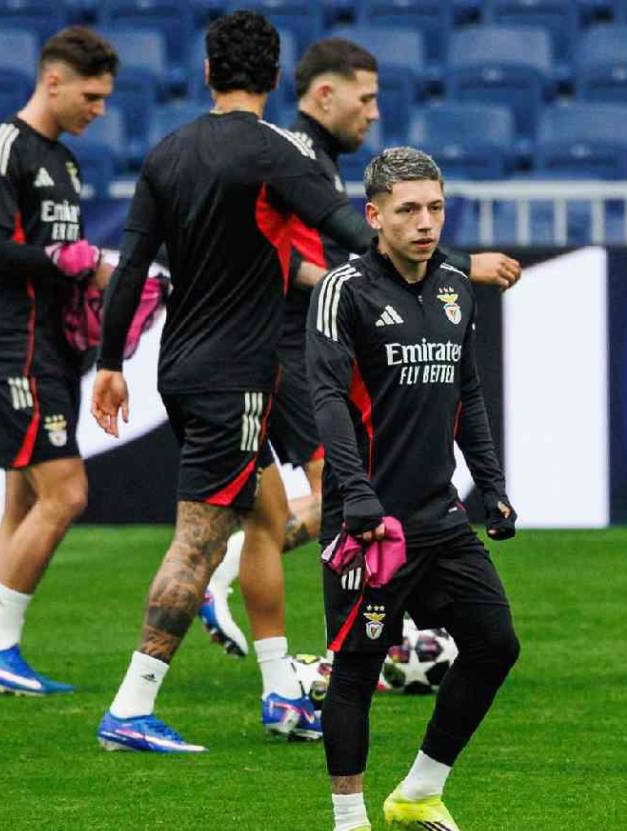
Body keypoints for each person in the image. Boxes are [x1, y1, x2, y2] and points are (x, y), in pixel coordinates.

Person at [90, 11, 393, 751]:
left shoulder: (167, 152)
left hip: (178, 370)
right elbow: (348, 230)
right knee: (199, 541)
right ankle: (131, 705)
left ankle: (280, 694)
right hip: (239, 378)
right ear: (278, 79)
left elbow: (130, 269)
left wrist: (107, 364)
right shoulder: (275, 153)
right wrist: (421, 267)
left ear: (206, 74)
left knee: (260, 520)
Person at [198, 37, 522, 660]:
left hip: (297, 340)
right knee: (348, 488)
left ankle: (357, 623)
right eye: (365, 97)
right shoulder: (291, 154)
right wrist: (456, 264)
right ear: (325, 93)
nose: (373, 112)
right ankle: (343, 637)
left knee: (343, 490)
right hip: (293, 344)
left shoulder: (312, 155)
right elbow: (273, 250)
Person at [307, 147, 521, 831]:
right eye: (407, 210)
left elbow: (468, 395)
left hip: (438, 518)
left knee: (495, 643)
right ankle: (348, 830)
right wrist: (356, 495)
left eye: (434, 208)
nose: (425, 223)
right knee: (359, 672)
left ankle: (421, 792)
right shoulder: (343, 290)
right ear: (374, 216)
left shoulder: (458, 288)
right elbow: (329, 399)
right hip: (372, 526)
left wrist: (489, 484)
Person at [0, 27, 118, 696]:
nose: (100, 110)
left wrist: (91, 286)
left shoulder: (67, 163)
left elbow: (65, 259)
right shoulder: (4, 149)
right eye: (91, 95)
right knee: (68, 493)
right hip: (13, 347)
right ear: (52, 81)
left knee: (21, 501)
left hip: (50, 346)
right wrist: (68, 261)